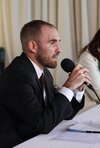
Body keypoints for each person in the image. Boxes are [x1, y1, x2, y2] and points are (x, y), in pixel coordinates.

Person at [0, 20, 90, 148]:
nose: (59, 50)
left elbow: (61, 114)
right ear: (33, 46)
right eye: (53, 43)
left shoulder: (44, 73)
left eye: (59, 42)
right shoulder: (18, 76)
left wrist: (77, 89)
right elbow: (43, 124)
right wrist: (68, 86)